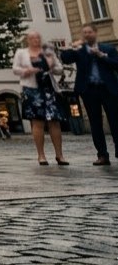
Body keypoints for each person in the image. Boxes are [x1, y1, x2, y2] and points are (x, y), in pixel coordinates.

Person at [60, 25, 118, 166]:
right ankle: (102, 155)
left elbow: (116, 64)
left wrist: (101, 55)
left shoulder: (107, 49)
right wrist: (72, 47)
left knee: (115, 121)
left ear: (95, 33)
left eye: (89, 32)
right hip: (89, 90)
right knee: (95, 123)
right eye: (84, 32)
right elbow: (66, 58)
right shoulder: (80, 51)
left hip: (107, 89)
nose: (87, 35)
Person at [12, 31, 65, 164]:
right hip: (32, 89)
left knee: (54, 121)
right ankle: (41, 155)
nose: (35, 40)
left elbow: (60, 69)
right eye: (32, 38)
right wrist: (27, 71)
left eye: (37, 37)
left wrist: (51, 66)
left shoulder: (48, 53)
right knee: (37, 122)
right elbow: (15, 69)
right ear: (27, 40)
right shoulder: (21, 52)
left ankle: (60, 155)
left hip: (49, 89)